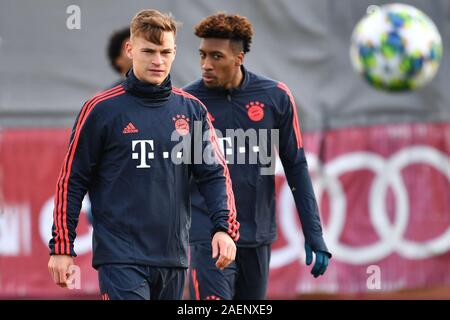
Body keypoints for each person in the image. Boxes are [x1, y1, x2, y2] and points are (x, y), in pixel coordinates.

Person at [47, 9, 239, 300]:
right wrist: (62, 246)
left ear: (175, 51)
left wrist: (223, 228)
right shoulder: (101, 109)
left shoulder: (192, 110)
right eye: (148, 51)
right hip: (120, 257)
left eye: (165, 51)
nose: (158, 60)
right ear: (130, 49)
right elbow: (72, 180)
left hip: (173, 257)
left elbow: (214, 174)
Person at [185, 13, 331, 300]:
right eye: (202, 55)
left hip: (257, 233)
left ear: (239, 57)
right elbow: (173, 175)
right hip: (207, 235)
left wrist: (314, 233)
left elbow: (296, 167)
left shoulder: (275, 96)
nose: (205, 64)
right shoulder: (187, 103)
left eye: (216, 56)